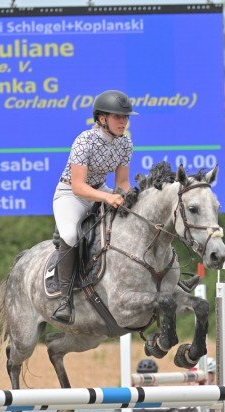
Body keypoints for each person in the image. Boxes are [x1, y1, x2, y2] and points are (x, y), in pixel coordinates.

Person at [52, 90, 138, 325]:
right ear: (102, 119)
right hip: (71, 195)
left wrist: (130, 198)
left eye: (125, 117)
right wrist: (107, 198)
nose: (124, 122)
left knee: (136, 217)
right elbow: (79, 187)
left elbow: (121, 184)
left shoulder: (125, 142)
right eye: (118, 117)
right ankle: (64, 300)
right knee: (70, 234)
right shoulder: (84, 141)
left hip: (100, 191)